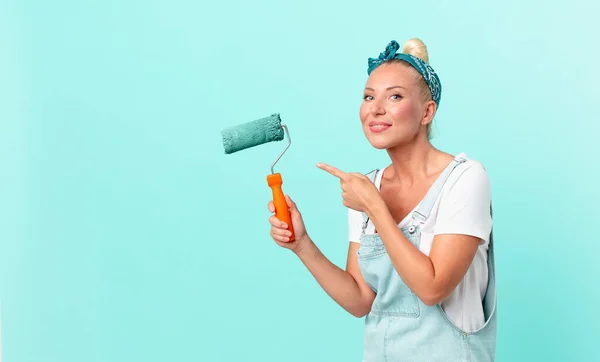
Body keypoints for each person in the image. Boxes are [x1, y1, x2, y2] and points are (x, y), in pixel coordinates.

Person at [267, 38, 496, 361]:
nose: (375, 108)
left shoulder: (465, 179)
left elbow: (432, 288)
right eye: (368, 96)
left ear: (427, 111)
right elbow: (361, 299)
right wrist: (302, 245)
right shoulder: (367, 186)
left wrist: (375, 206)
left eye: (395, 96)